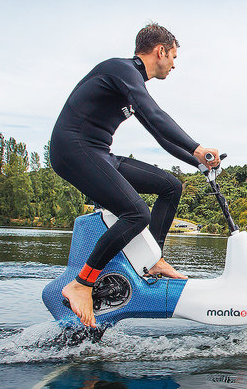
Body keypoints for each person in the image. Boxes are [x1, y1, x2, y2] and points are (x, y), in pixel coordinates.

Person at [50, 24, 219, 328]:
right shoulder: (121, 69)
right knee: (136, 213)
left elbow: (160, 135)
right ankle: (81, 284)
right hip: (73, 149)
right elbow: (156, 116)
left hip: (99, 152)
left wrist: (198, 163)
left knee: (170, 186)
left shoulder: (131, 83)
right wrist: (197, 148)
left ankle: (151, 260)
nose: (174, 64)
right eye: (174, 56)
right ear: (161, 51)